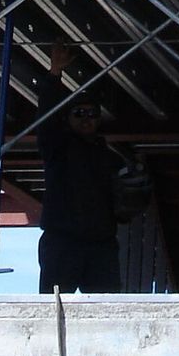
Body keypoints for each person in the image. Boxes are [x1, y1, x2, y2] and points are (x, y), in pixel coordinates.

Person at [36, 45, 123, 293]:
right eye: (79, 113)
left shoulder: (108, 156)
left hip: (101, 243)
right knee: (54, 311)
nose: (87, 118)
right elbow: (46, 119)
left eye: (93, 114)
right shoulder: (57, 147)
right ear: (68, 117)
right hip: (62, 240)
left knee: (107, 313)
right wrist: (55, 73)